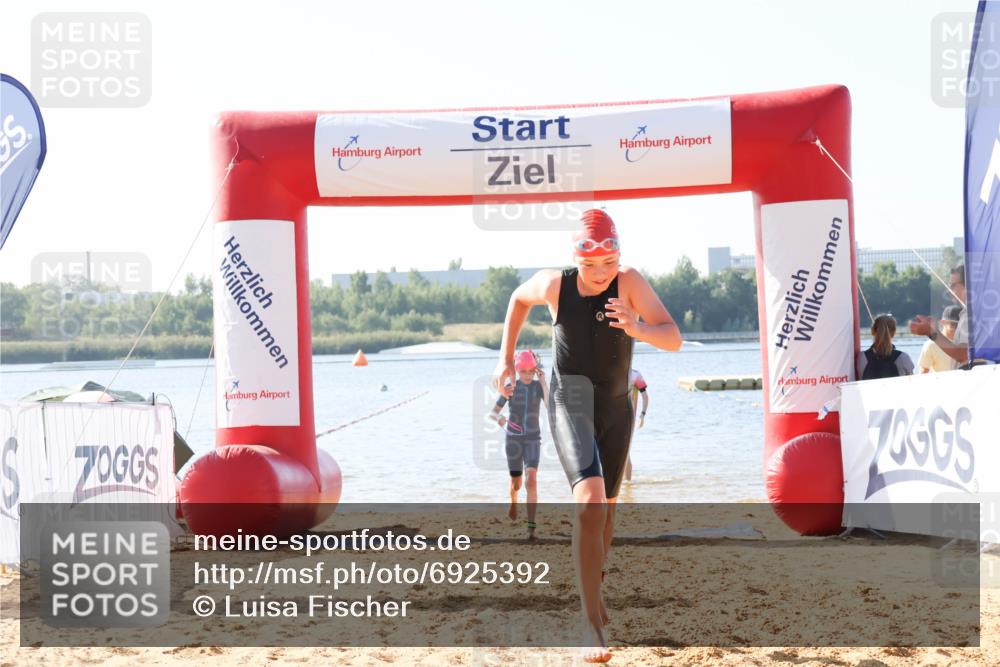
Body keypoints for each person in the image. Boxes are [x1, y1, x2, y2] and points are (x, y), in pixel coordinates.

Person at [491, 209, 681, 663]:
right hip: (571, 398)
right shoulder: (556, 285)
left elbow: (673, 337)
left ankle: (594, 596)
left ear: (619, 256)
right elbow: (518, 300)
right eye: (591, 266)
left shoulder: (631, 282)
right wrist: (503, 360)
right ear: (576, 258)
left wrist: (636, 327)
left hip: (617, 406)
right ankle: (590, 623)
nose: (600, 275)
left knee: (607, 516)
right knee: (590, 501)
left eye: (608, 264)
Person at [488, 349, 548, 539]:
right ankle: (513, 500)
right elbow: (493, 413)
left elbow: (549, 404)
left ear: (535, 369)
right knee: (517, 483)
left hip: (533, 439)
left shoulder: (539, 387)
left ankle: (531, 528)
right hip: (513, 439)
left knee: (532, 480)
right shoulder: (510, 387)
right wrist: (501, 421)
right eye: (524, 371)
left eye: (531, 371)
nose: (528, 375)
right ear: (517, 370)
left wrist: (544, 382)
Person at [909, 265, 969, 367]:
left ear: (968, 285)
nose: (950, 290)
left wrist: (932, 333)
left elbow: (963, 355)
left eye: (953, 285)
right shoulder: (976, 312)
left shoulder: (971, 315)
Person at [857, 314, 915, 379]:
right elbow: (911, 383)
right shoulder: (903, 357)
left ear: (872, 331)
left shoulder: (861, 357)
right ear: (893, 333)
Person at [917, 305, 962, 373]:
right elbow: (923, 373)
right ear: (943, 322)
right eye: (954, 324)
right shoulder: (931, 345)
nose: (958, 328)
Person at [623, 368, 649, 482]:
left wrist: (642, 415)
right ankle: (624, 484)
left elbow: (645, 396)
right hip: (612, 418)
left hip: (628, 420)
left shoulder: (635, 374)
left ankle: (627, 485)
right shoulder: (614, 370)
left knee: (625, 453)